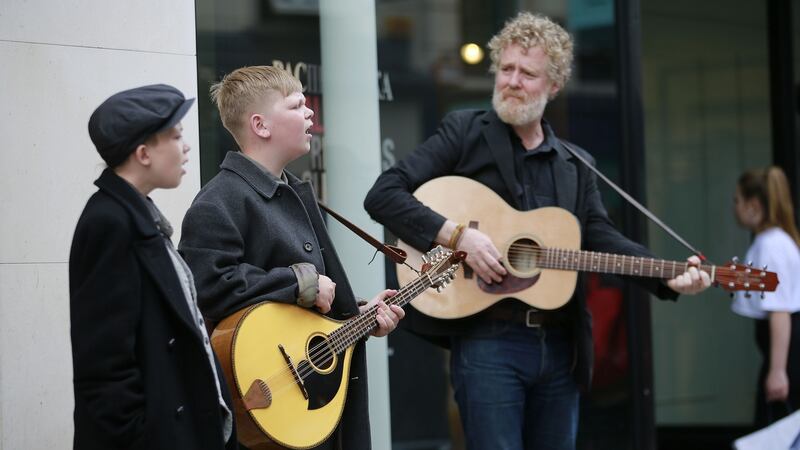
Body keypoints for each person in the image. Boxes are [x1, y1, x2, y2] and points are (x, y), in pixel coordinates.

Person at [364, 12, 710, 450]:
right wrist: (457, 237)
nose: (512, 81)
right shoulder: (464, 132)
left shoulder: (575, 163)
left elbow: (600, 238)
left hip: (561, 348)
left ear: (554, 85)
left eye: (527, 73)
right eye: (506, 69)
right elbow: (383, 195)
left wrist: (666, 273)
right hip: (488, 342)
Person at [178, 65, 404, 450]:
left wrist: (361, 317)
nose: (310, 112)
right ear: (261, 126)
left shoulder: (294, 192)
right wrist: (298, 282)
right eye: (297, 104)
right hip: (270, 416)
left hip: (316, 410)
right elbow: (205, 286)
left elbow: (301, 316)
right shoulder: (218, 201)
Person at [69, 84, 237, 450]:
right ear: (143, 153)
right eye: (175, 136)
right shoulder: (109, 223)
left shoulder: (137, 217)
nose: (187, 145)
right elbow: (104, 364)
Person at [732, 166, 800, 427]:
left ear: (754, 205)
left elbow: (780, 310)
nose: (735, 207)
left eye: (737, 200)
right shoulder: (773, 241)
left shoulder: (771, 244)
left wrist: (777, 371)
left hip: (787, 356)